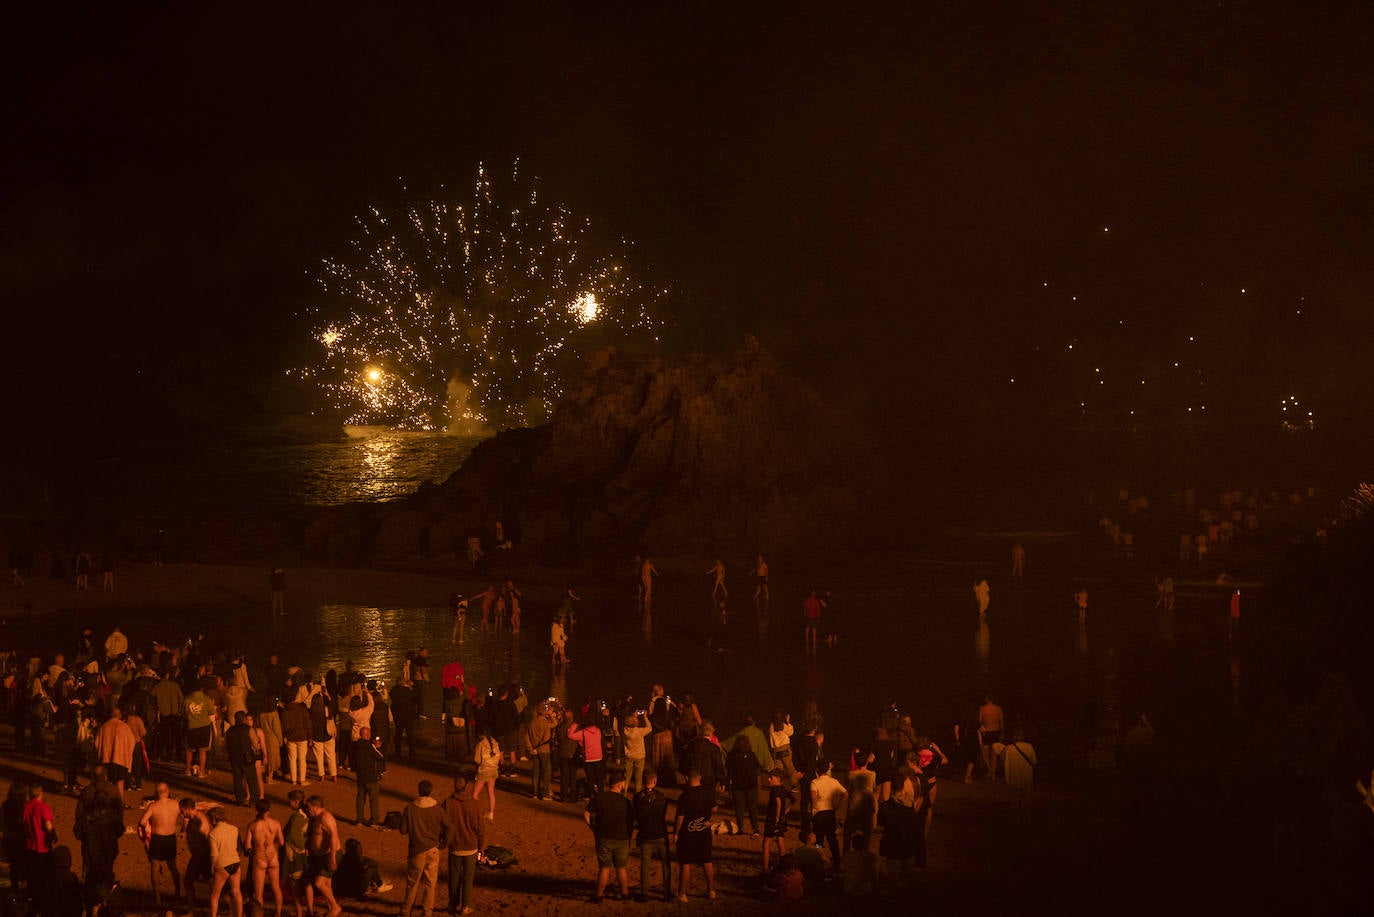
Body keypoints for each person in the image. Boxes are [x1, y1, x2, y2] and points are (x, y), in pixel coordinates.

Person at [398, 780, 448, 917]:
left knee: (412, 883)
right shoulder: (438, 809)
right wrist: (444, 843)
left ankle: (406, 911)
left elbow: (403, 830)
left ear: (418, 791)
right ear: (430, 792)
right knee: (430, 883)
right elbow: (449, 826)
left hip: (416, 851)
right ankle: (427, 912)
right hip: (433, 849)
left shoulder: (410, 808)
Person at [585, 769, 634, 903]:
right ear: (620, 784)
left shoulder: (600, 798)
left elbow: (586, 813)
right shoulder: (626, 802)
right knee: (621, 867)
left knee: (604, 868)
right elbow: (630, 822)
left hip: (604, 838)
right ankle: (624, 893)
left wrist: (593, 828)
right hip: (622, 839)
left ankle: (599, 895)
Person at [442, 770, 484, 916]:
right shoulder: (475, 805)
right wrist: (481, 848)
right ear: (468, 786)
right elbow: (480, 829)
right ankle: (465, 905)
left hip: (454, 847)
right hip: (471, 847)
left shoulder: (447, 803)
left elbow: (442, 824)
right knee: (468, 878)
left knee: (453, 877)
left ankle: (453, 904)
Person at [674, 770, 717, 901]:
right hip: (704, 832)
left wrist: (676, 833)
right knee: (707, 861)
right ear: (700, 777)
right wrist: (708, 817)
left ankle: (682, 894)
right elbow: (715, 808)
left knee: (685, 863)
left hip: (688, 834)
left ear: (686, 778)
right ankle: (711, 891)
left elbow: (680, 818)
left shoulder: (685, 796)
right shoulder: (708, 793)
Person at [137, 782, 181, 906]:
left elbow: (143, 821)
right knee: (173, 866)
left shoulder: (153, 806)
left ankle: (157, 897)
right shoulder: (175, 804)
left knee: (155, 867)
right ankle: (178, 891)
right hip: (170, 838)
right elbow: (185, 817)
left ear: (156, 793)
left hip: (157, 839)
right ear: (167, 791)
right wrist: (182, 831)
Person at [631, 769, 672, 902]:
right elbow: (665, 816)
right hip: (660, 834)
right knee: (665, 864)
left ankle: (644, 893)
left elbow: (636, 816)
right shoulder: (662, 797)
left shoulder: (637, 798)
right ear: (655, 781)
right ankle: (666, 893)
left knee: (645, 864)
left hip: (645, 835)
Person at [245, 799, 284, 917]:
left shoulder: (252, 825)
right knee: (276, 888)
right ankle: (278, 913)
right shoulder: (276, 823)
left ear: (257, 810)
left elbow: (247, 845)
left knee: (258, 893)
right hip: (273, 856)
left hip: (260, 857)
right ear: (269, 809)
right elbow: (281, 842)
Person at [304, 796, 342, 917]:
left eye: (309, 808)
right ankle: (331, 908)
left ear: (316, 807)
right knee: (326, 884)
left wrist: (332, 858)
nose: (308, 810)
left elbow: (334, 837)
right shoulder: (317, 817)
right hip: (322, 855)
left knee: (319, 883)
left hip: (330, 855)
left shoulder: (326, 818)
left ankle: (335, 907)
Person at [994, 731, 1038, 824]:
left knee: (1014, 802)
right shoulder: (1029, 747)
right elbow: (1034, 761)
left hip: (1013, 777)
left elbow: (1002, 761)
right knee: (1026, 801)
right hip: (1026, 778)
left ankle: (1015, 821)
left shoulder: (1008, 749)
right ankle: (1027, 820)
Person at [207, 807, 244, 917]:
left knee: (215, 894)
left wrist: (212, 867)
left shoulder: (213, 834)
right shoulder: (234, 829)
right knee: (237, 892)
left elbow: (214, 854)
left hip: (222, 865)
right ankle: (239, 915)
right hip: (235, 863)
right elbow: (238, 847)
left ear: (213, 819)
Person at [180, 797, 214, 914]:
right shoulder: (193, 817)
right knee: (211, 883)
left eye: (182, 811)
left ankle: (192, 911)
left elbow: (206, 839)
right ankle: (227, 907)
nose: (181, 813)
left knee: (188, 881)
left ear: (188, 809)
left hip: (200, 857)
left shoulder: (200, 821)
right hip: (199, 856)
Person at [809, 760, 847, 865]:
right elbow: (845, 793)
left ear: (817, 770)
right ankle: (836, 859)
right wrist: (837, 805)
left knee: (819, 839)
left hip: (819, 813)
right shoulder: (833, 781)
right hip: (830, 812)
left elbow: (813, 798)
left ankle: (818, 858)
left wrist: (813, 811)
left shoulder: (815, 782)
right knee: (832, 838)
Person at [726, 734, 764, 836]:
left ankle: (740, 828)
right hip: (751, 786)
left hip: (737, 786)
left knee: (739, 808)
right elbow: (757, 772)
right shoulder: (752, 755)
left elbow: (729, 771)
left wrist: (728, 785)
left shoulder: (731, 755)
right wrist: (759, 785)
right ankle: (755, 828)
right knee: (752, 808)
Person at [225, 710, 262, 806]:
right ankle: (253, 800)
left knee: (237, 780)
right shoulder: (249, 729)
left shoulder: (229, 731)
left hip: (234, 759)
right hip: (247, 758)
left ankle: (239, 800)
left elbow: (226, 745)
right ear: (244, 719)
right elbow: (255, 744)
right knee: (252, 780)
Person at [22, 783, 55, 890]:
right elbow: (48, 827)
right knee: (43, 876)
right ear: (40, 793)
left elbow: (24, 824)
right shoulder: (43, 807)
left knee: (32, 877)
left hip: (30, 847)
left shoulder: (26, 807)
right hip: (43, 848)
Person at [761, 767, 793, 873]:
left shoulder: (774, 790)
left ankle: (765, 868)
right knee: (780, 840)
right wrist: (785, 813)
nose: (769, 780)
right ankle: (783, 866)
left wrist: (777, 817)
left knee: (766, 843)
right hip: (782, 820)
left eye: (771, 778)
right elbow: (793, 800)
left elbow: (778, 803)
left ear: (778, 778)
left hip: (772, 819)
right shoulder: (783, 789)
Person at [353, 726, 386, 827]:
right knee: (373, 800)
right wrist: (377, 747)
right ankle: (374, 821)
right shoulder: (369, 746)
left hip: (360, 776)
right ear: (368, 735)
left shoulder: (355, 745)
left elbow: (351, 759)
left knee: (360, 798)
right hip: (370, 777)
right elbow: (380, 757)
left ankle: (359, 820)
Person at [524, 702, 555, 801]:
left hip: (534, 750)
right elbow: (554, 726)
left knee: (536, 772)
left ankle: (535, 792)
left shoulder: (531, 723)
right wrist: (551, 715)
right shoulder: (546, 723)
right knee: (546, 771)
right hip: (544, 750)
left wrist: (531, 749)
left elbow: (526, 738)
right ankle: (545, 793)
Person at [472, 730, 501, 821]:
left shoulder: (480, 745)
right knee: (491, 791)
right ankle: (490, 813)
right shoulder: (495, 743)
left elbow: (477, 760)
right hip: (494, 770)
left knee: (474, 794)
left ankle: (476, 814)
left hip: (484, 771)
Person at [840, 831, 877, 895]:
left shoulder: (847, 855)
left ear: (853, 844)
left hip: (848, 888)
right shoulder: (870, 856)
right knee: (874, 868)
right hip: (865, 889)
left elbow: (843, 870)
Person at [978, 695, 1004, 780]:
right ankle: (992, 773)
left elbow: (980, 721)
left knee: (985, 753)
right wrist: (1002, 733)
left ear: (986, 698)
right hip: (996, 731)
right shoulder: (998, 708)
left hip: (986, 731)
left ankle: (990, 770)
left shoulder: (982, 708)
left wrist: (981, 731)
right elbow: (1001, 721)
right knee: (994, 754)